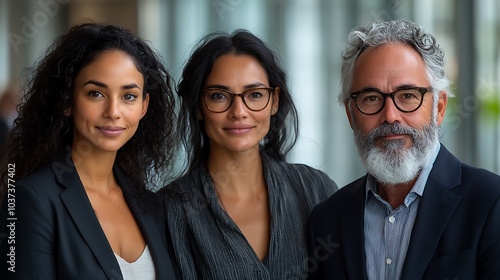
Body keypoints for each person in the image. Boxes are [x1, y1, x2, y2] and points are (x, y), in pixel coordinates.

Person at [308, 19, 500, 280]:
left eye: (407, 95)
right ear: (351, 115)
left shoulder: (490, 202)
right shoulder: (327, 219)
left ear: (439, 108)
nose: (390, 116)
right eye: (371, 98)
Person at [0, 22, 178, 279]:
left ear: (143, 106)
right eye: (96, 93)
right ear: (67, 101)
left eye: (128, 96)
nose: (113, 112)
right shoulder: (31, 200)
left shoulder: (151, 204)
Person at [162, 30, 337, 279]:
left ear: (274, 101)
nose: (239, 111)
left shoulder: (317, 189)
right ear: (199, 106)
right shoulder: (170, 211)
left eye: (254, 95)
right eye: (219, 96)